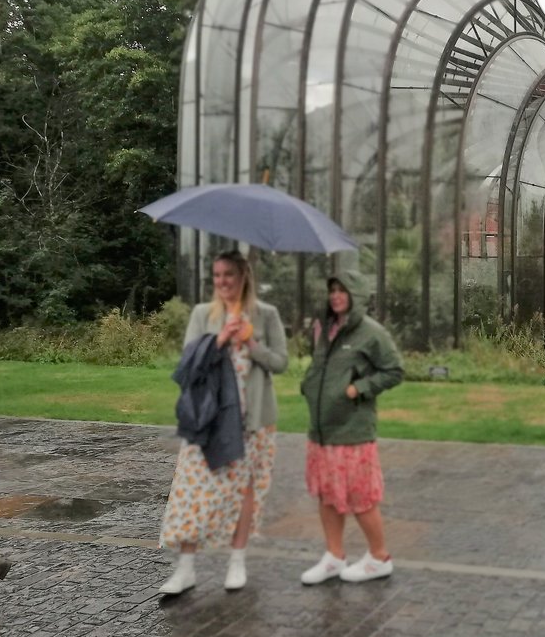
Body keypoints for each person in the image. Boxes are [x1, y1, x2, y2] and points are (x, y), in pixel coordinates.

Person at [158, 249, 288, 594]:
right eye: (216, 276)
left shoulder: (266, 315)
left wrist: (250, 341)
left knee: (246, 491)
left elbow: (280, 362)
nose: (222, 282)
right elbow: (188, 365)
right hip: (210, 421)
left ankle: (237, 561)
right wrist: (219, 340)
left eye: (228, 274)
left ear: (244, 276)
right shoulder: (203, 314)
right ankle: (186, 568)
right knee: (193, 490)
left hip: (254, 421)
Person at [300, 270, 404, 585]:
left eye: (342, 290)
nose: (335, 296)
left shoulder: (371, 333)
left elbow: (394, 370)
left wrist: (358, 389)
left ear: (357, 296)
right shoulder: (327, 329)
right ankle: (334, 556)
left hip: (353, 432)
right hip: (322, 431)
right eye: (332, 290)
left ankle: (379, 557)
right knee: (327, 495)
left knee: (361, 498)